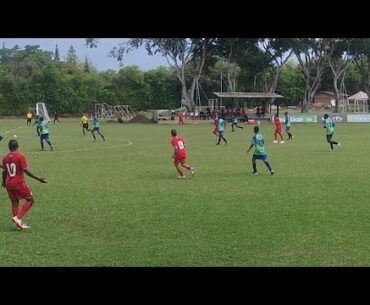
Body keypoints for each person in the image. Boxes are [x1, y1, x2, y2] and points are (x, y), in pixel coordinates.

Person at [2, 139, 47, 230]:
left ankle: (19, 225)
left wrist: (3, 182)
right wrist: (38, 178)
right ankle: (18, 218)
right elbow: (25, 170)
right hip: (18, 183)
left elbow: (5, 171)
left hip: (8, 184)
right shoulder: (20, 156)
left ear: (9, 148)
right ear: (18, 147)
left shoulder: (5, 158)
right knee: (30, 200)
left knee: (14, 203)